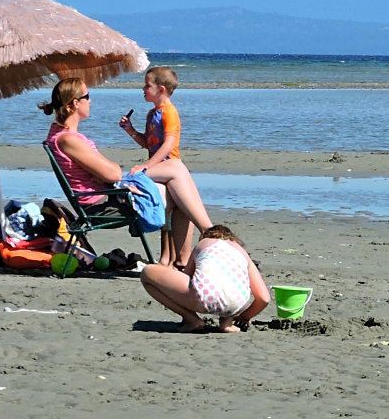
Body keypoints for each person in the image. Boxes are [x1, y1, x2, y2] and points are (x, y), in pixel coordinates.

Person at [40, 77, 215, 270]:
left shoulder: (61, 134)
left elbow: (107, 172)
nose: (90, 101)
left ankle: (190, 253)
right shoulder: (67, 139)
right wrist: (112, 169)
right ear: (75, 103)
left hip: (110, 196)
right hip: (104, 205)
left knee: (178, 176)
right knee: (179, 179)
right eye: (87, 96)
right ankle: (208, 238)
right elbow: (113, 174)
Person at [140, 224, 271, 334]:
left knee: (147, 273)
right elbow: (264, 298)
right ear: (233, 239)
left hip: (204, 297)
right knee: (231, 283)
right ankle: (227, 323)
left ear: (207, 236)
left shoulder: (204, 243)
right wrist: (244, 317)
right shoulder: (241, 252)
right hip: (237, 303)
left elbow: (187, 276)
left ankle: (191, 319)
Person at [118, 66, 187, 266]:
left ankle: (172, 257)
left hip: (169, 167)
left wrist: (146, 166)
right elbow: (149, 143)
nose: (143, 89)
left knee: (171, 212)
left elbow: (168, 144)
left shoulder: (169, 112)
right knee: (164, 211)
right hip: (157, 166)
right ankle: (166, 255)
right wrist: (130, 130)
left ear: (162, 89)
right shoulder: (151, 114)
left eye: (147, 85)